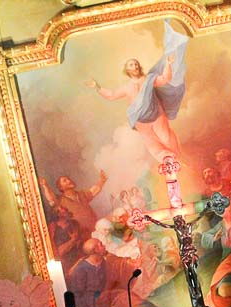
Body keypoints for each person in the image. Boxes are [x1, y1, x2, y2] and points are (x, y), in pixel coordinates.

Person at [86, 21, 189, 163]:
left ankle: (178, 157)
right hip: (140, 120)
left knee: (166, 137)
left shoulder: (149, 79)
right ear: (127, 70)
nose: (134, 66)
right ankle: (167, 161)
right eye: (131, 64)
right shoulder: (126, 87)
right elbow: (111, 96)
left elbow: (165, 79)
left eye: (135, 64)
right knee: (151, 143)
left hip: (156, 114)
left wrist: (168, 64)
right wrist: (97, 87)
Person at [40, 172, 108, 241]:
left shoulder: (81, 194)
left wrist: (102, 181)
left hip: (96, 229)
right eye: (65, 181)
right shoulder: (60, 200)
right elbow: (51, 198)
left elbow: (93, 191)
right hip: (81, 235)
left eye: (68, 179)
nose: (69, 181)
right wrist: (45, 186)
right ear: (61, 187)